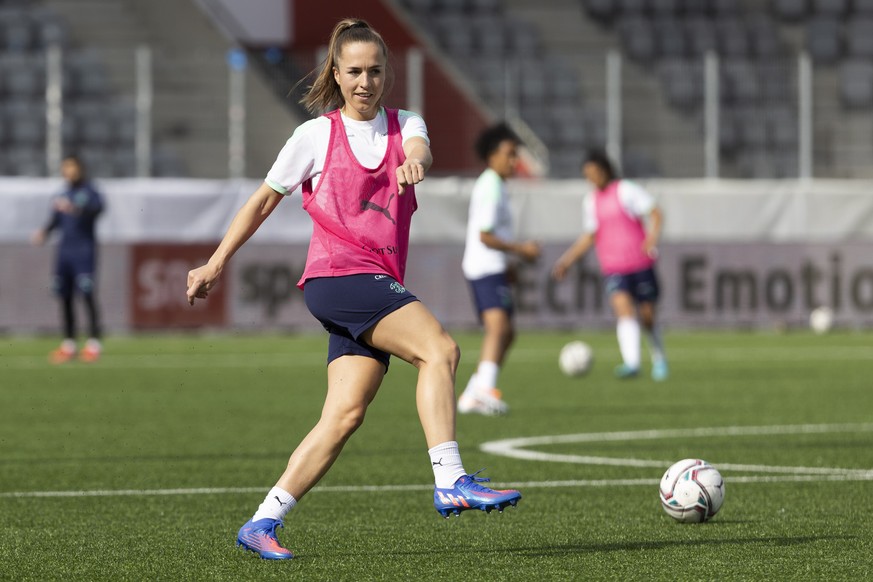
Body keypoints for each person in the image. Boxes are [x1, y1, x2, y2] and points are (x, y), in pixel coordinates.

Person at [186, 19, 521, 561]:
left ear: (387, 72)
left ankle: (262, 520)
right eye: (355, 71)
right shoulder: (314, 135)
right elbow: (262, 201)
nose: (366, 81)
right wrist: (216, 262)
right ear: (336, 75)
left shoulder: (406, 123)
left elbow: (420, 149)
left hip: (367, 284)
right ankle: (450, 479)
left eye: (375, 70)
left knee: (343, 415)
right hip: (339, 277)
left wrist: (417, 161)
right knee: (441, 350)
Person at [552, 150, 668, 382]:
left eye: (594, 173)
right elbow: (590, 235)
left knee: (647, 316)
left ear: (605, 170)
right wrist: (567, 260)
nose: (591, 179)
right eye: (587, 175)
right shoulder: (591, 201)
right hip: (614, 266)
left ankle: (659, 359)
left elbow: (655, 212)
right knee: (623, 310)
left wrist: (652, 237)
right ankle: (632, 363)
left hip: (640, 262)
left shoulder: (626, 190)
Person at [458, 123, 540, 415]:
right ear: (492, 156)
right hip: (484, 266)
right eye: (509, 153)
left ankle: (472, 392)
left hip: (491, 266)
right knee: (499, 328)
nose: (514, 160)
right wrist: (522, 250)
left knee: (507, 333)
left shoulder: (497, 185)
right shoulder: (491, 185)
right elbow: (485, 235)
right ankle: (484, 390)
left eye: (516, 153)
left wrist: (509, 264)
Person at [31, 155, 104, 364]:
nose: (69, 171)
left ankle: (93, 344)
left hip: (84, 251)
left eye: (72, 166)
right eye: (66, 167)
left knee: (87, 295)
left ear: (80, 168)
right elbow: (55, 220)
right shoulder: (61, 194)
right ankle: (69, 344)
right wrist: (43, 233)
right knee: (64, 296)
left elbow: (98, 209)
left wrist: (77, 208)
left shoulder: (90, 192)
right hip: (64, 252)